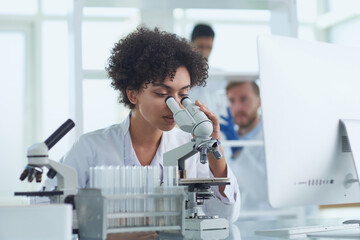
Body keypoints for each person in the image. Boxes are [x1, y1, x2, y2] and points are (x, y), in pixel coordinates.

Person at [46, 26, 240, 222]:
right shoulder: (91, 148)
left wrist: (216, 146)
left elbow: (227, 216)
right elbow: (47, 211)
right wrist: (101, 234)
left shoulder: (190, 148)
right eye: (162, 94)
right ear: (133, 94)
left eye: (183, 95)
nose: (175, 107)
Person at [220, 81, 270, 211]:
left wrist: (238, 151)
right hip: (235, 223)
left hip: (265, 222)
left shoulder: (270, 137)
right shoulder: (227, 140)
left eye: (244, 99)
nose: (237, 108)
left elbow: (263, 192)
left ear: (259, 102)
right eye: (232, 101)